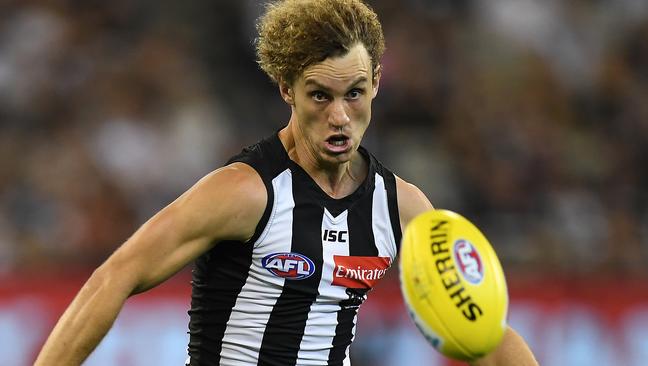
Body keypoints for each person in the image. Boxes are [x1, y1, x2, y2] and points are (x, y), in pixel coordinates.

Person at [35, 0, 538, 365]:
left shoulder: (402, 207)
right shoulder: (244, 192)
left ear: (377, 83)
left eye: (355, 94)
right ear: (286, 89)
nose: (340, 117)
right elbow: (115, 276)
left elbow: (483, 330)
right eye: (320, 96)